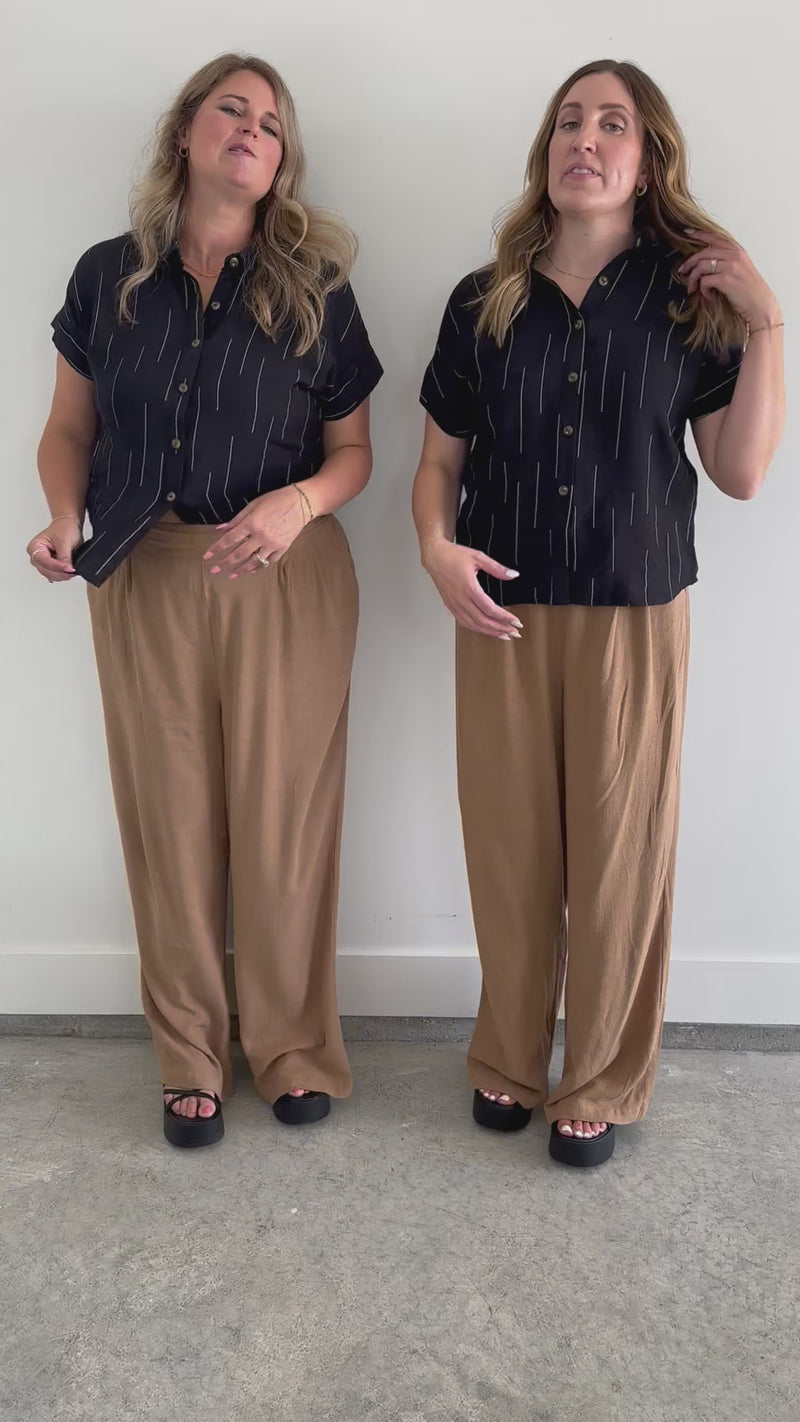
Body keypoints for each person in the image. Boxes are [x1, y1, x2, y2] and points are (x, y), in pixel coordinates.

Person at [412, 59, 784, 1166]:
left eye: (612, 124)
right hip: (501, 608)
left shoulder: (690, 301)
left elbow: (739, 474)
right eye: (569, 121)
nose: (585, 138)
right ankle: (507, 1056)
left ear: (646, 160)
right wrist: (433, 548)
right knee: (509, 851)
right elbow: (437, 463)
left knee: (620, 855)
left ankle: (603, 1077)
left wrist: (767, 325)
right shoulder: (483, 300)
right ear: (546, 153)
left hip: (634, 612)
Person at [28, 53, 382, 1148]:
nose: (251, 130)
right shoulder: (109, 277)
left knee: (284, 823)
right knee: (168, 822)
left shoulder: (314, 285)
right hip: (144, 572)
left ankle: (291, 1048)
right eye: (232, 109)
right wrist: (62, 515)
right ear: (185, 130)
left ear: (281, 165)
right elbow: (68, 428)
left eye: (271, 124)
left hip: (286, 576)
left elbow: (355, 454)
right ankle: (189, 1054)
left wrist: (296, 504)